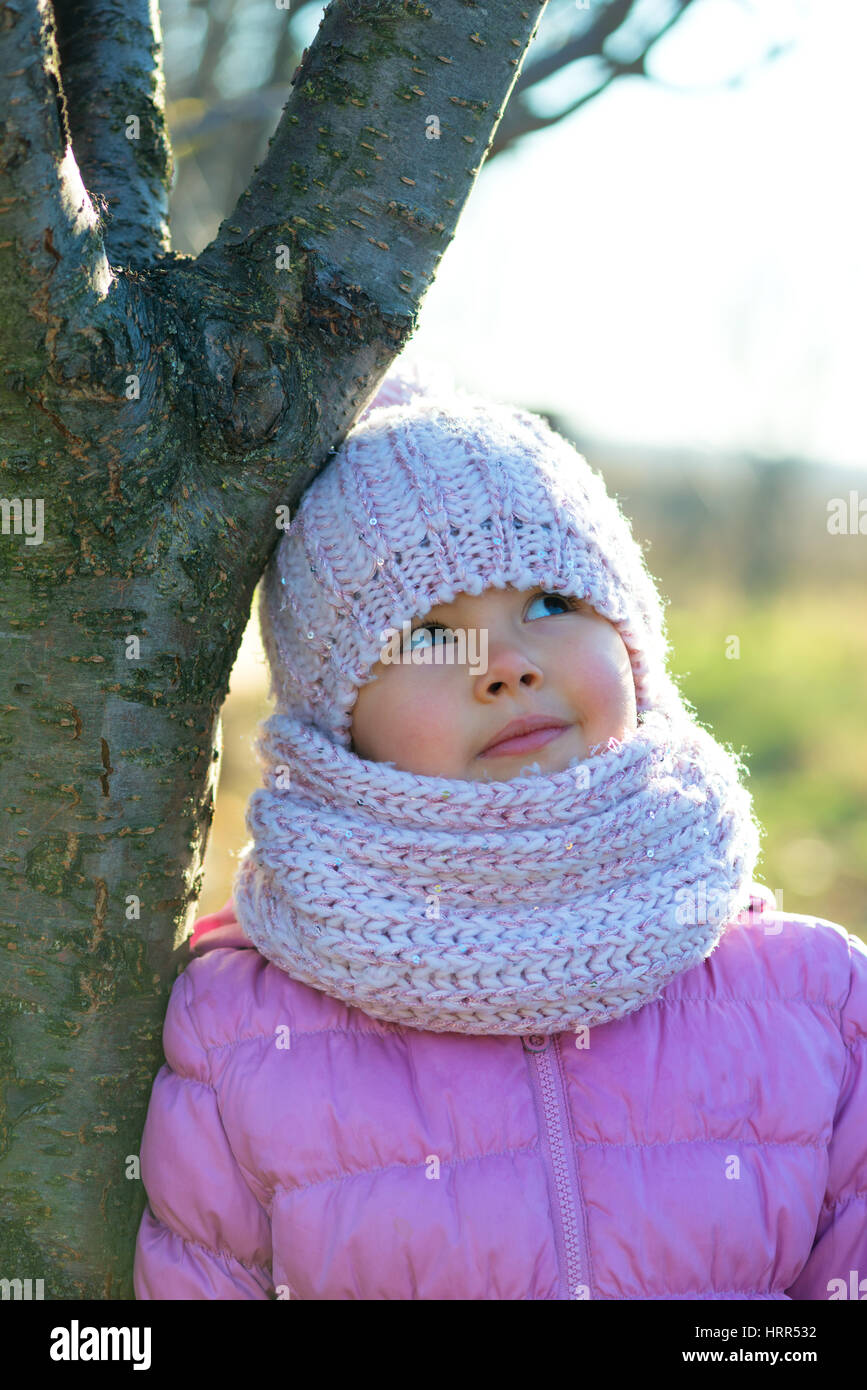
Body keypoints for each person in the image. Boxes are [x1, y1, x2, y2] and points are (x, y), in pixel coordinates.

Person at [134, 361, 867, 1300]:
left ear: (634, 644)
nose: (508, 666)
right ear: (336, 721)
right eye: (431, 634)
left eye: (552, 603)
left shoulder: (813, 1003)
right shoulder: (240, 1033)